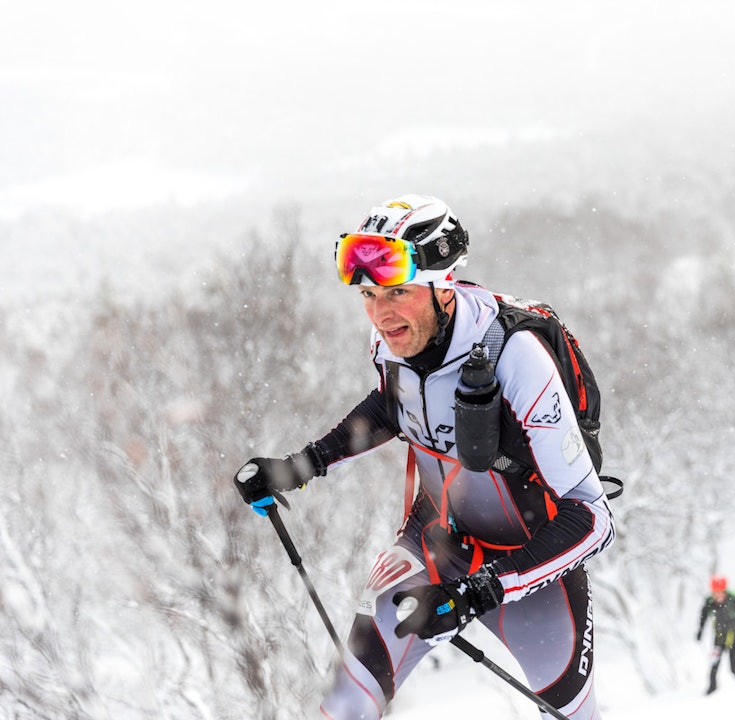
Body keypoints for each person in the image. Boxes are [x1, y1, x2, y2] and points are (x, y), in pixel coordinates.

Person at [233, 194, 616, 719]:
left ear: (444, 285)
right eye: (368, 295)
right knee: (345, 706)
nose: (380, 315)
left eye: (397, 293)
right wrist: (301, 466)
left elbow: (592, 517)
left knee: (574, 714)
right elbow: (394, 405)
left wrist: (478, 592)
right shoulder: (392, 339)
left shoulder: (516, 355)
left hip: (529, 566)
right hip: (434, 547)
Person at [695, 575, 735, 695]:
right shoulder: (710, 602)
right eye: (715, 593)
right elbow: (703, 616)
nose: (717, 596)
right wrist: (700, 631)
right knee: (714, 665)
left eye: (720, 593)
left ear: (725, 591)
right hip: (719, 638)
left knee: (733, 668)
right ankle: (711, 689)